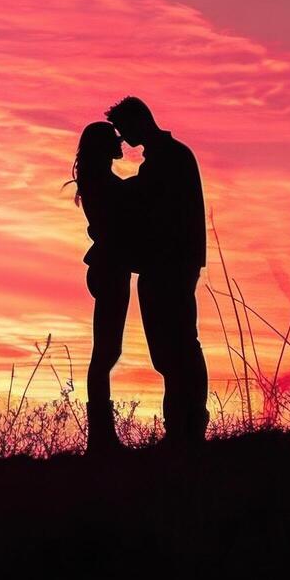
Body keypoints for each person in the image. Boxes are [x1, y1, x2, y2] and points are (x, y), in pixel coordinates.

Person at [105, 95, 210, 448]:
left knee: (177, 344)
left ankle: (188, 425)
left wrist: (105, 183)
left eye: (124, 129)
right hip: (168, 264)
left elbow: (143, 202)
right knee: (172, 347)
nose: (123, 138)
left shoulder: (169, 159)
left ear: (140, 121)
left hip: (170, 265)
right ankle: (182, 425)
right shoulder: (169, 158)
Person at [66, 120, 139, 457]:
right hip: (110, 268)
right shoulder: (103, 183)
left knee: (107, 352)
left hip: (110, 268)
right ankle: (100, 439)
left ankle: (101, 438)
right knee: (105, 354)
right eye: (114, 139)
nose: (120, 142)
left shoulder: (99, 181)